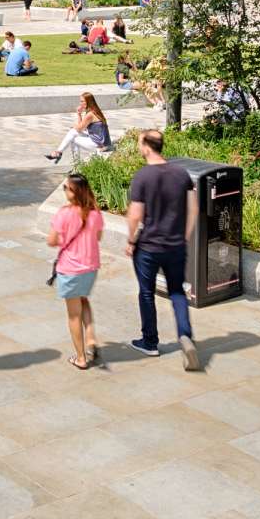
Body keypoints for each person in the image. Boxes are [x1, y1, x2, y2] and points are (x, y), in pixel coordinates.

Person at [126, 129, 199, 368]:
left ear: (147, 147)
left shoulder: (143, 176)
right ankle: (185, 335)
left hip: (148, 246)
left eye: (140, 143)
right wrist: (184, 237)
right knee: (177, 291)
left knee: (146, 292)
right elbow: (194, 209)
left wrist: (130, 240)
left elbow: (135, 214)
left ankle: (150, 342)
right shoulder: (181, 173)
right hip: (176, 245)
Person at [47, 172, 103, 369]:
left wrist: (64, 240)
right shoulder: (95, 213)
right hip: (91, 268)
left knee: (73, 315)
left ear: (73, 192)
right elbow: (98, 236)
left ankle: (80, 358)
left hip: (70, 269)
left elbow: (51, 241)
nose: (64, 190)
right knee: (83, 299)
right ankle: (90, 337)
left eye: (66, 188)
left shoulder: (64, 213)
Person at [46, 92, 111, 163]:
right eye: (80, 101)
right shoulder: (95, 111)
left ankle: (75, 163)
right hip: (101, 141)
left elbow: (80, 128)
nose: (80, 103)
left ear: (88, 102)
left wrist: (75, 126)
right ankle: (58, 152)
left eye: (82, 101)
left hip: (100, 144)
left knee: (73, 138)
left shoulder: (90, 114)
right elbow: (82, 127)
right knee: (73, 132)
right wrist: (79, 114)